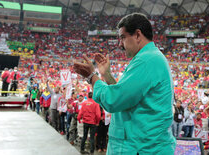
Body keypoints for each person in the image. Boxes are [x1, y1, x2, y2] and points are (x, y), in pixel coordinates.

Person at [73, 13, 176, 154]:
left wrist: (92, 77)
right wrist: (107, 75)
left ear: (138, 35)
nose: (120, 44)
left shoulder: (146, 61)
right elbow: (127, 96)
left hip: (140, 148)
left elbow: (114, 100)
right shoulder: (149, 58)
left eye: (123, 37)